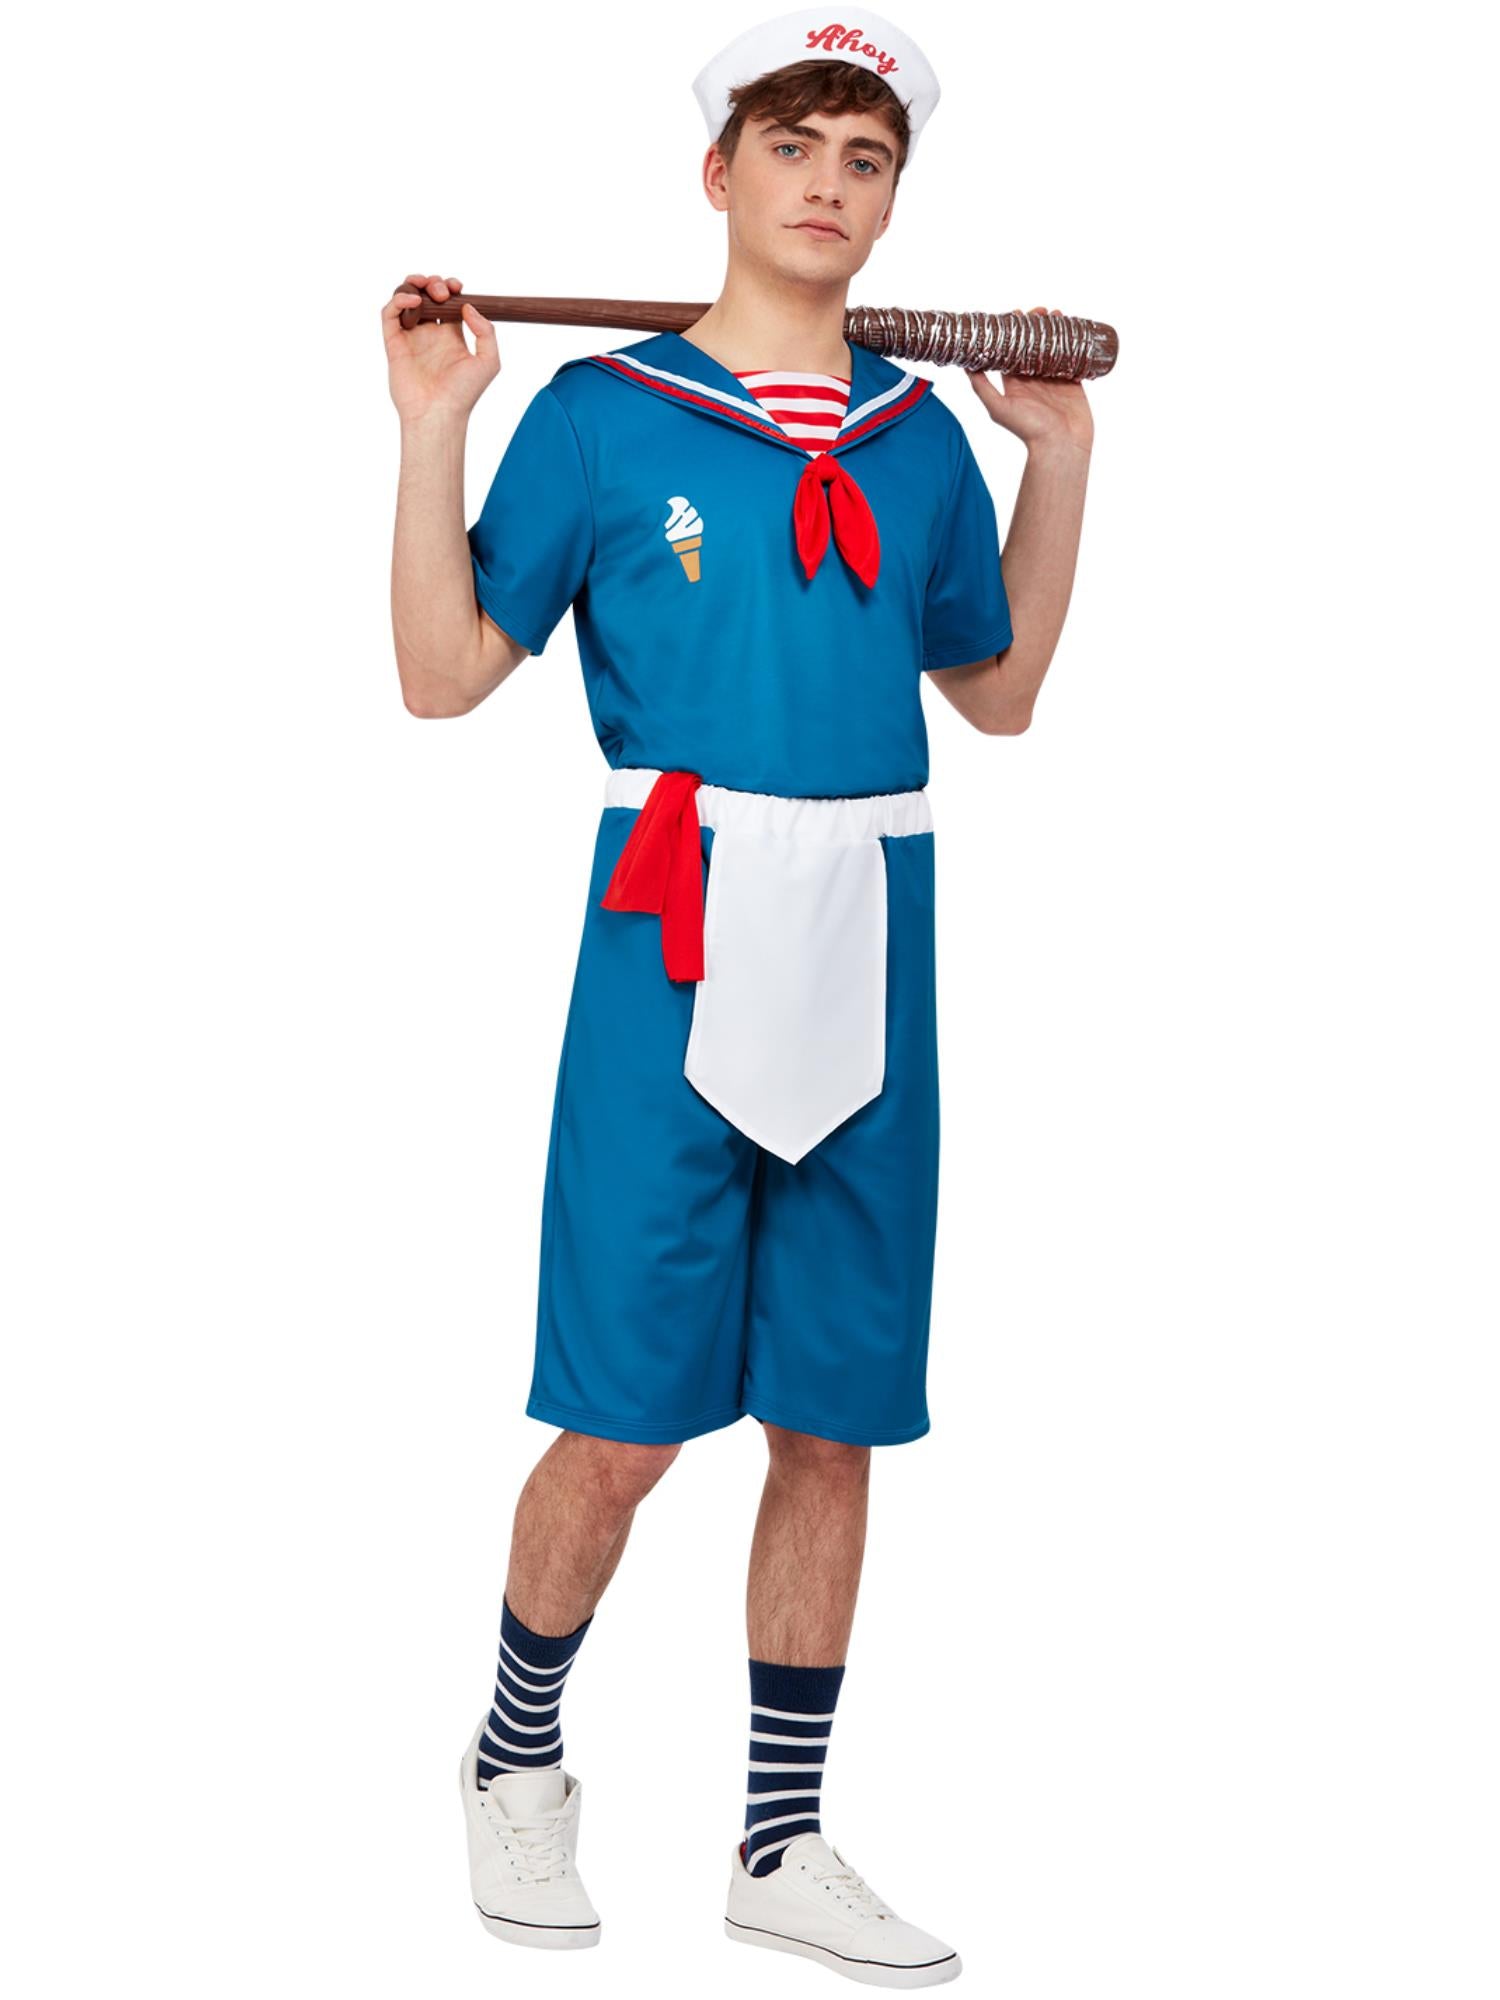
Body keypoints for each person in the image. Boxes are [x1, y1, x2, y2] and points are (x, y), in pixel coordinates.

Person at [382, 7, 1093, 1984]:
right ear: (719, 173)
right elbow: (441, 678)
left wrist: (1056, 463)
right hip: (670, 929)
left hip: (873, 919)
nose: (829, 188)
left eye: (867, 161)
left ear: (893, 198)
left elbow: (1000, 692)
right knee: (625, 1418)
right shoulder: (605, 416)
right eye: (793, 148)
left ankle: (780, 1838)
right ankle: (515, 1754)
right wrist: (435, 429)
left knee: (832, 1417)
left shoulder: (922, 437)